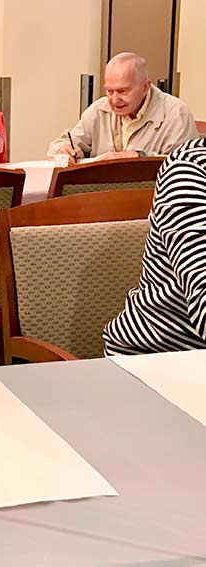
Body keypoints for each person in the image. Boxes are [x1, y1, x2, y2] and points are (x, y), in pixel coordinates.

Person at [104, 136, 206, 355]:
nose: (115, 99)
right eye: (108, 96)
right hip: (159, 356)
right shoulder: (189, 171)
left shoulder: (172, 113)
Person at [48, 52, 198, 164]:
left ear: (145, 87)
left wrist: (141, 157)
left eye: (122, 91)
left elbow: (186, 165)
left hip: (151, 198)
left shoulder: (176, 113)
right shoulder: (99, 109)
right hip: (100, 195)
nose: (114, 100)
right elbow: (63, 144)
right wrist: (63, 151)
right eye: (109, 91)